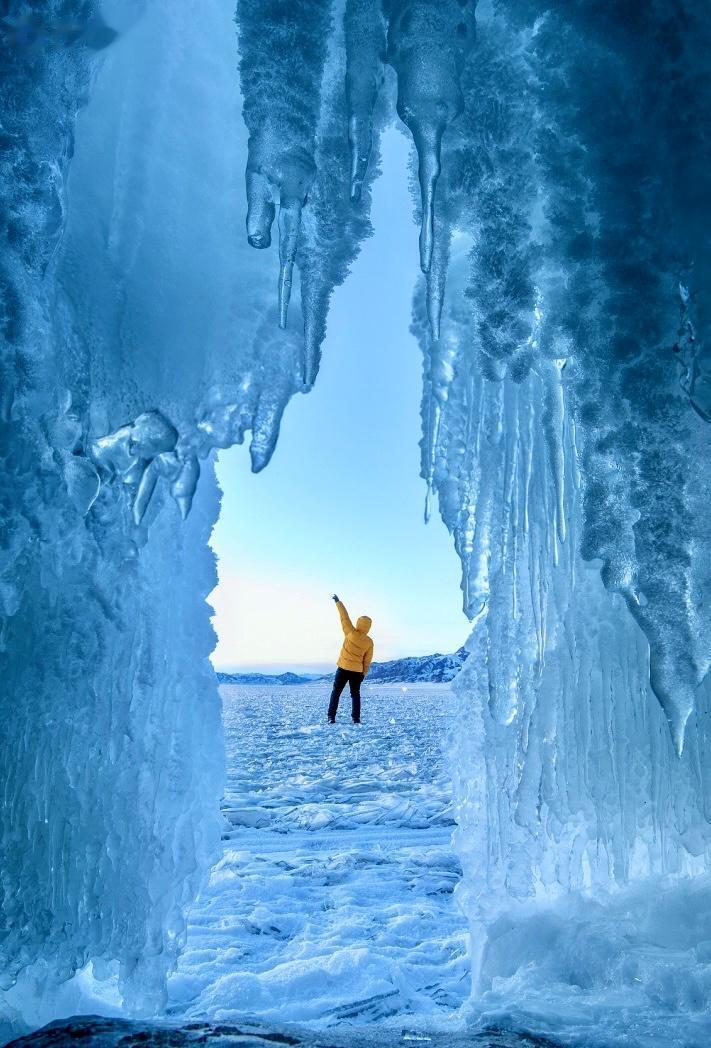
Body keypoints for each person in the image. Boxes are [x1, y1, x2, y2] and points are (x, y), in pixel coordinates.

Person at [327, 594, 373, 724]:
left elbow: (344, 617)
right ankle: (356, 718)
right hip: (357, 671)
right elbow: (367, 660)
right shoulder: (369, 642)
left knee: (336, 692)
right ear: (369, 627)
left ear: (358, 623)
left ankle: (331, 717)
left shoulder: (350, 632)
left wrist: (338, 602)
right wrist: (363, 673)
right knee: (355, 694)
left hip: (343, 668)